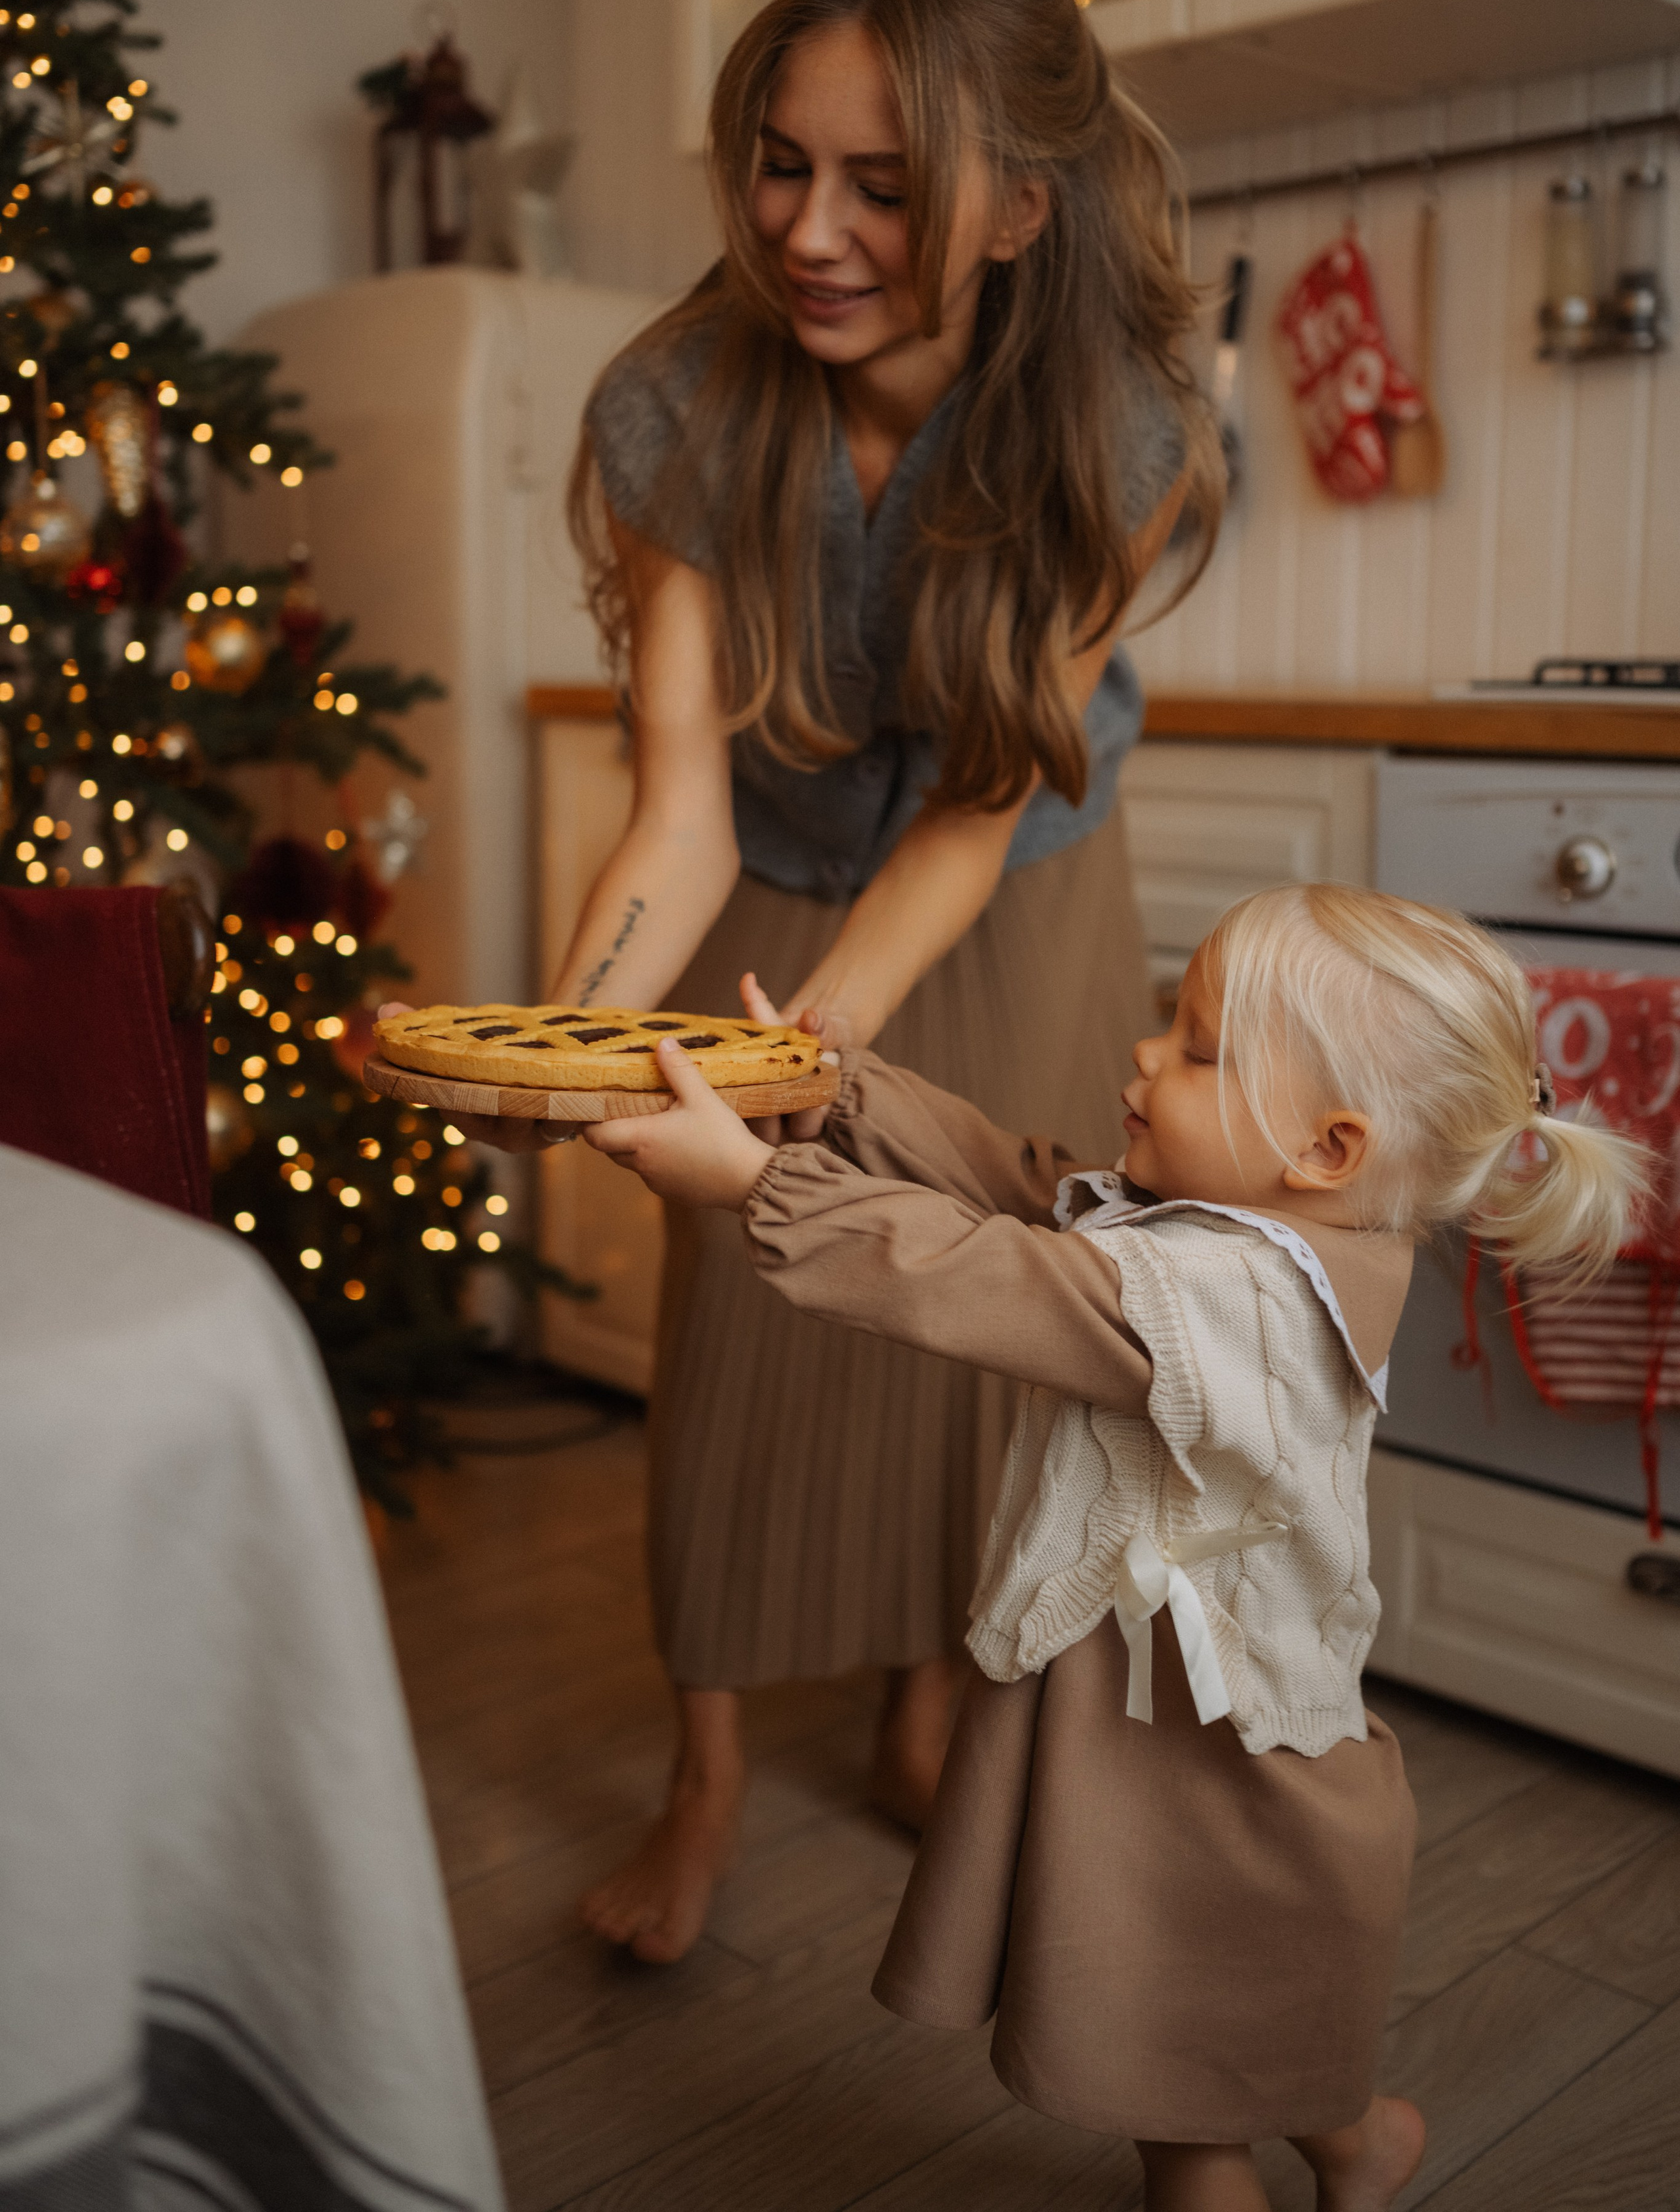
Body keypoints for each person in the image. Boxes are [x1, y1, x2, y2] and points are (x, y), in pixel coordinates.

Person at [540, 0, 1221, 1965]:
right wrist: (564, 1048)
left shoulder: (1129, 434)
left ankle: (934, 1716)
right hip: (768, 858)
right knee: (747, 1328)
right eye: (779, 167)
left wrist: (809, 1050)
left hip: (1011, 897)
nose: (808, 234)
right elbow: (670, 796)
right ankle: (711, 1777)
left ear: (1022, 204)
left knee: (981, 1323)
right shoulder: (679, 405)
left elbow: (963, 820)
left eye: (883, 188)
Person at [583, 882, 1645, 2212]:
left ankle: (1303, 2151)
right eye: (1168, 1023)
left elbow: (989, 1273)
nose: (1146, 1056)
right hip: (1131, 1707)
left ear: (1325, 1147)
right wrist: (841, 1091)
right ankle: (1357, 2138)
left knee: (1179, 2067)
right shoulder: (1258, 1227)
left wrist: (756, 1185)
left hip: (1212, 1750)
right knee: (1220, 2015)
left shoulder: (1235, 1303)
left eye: (1197, 1047)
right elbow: (1021, 1184)